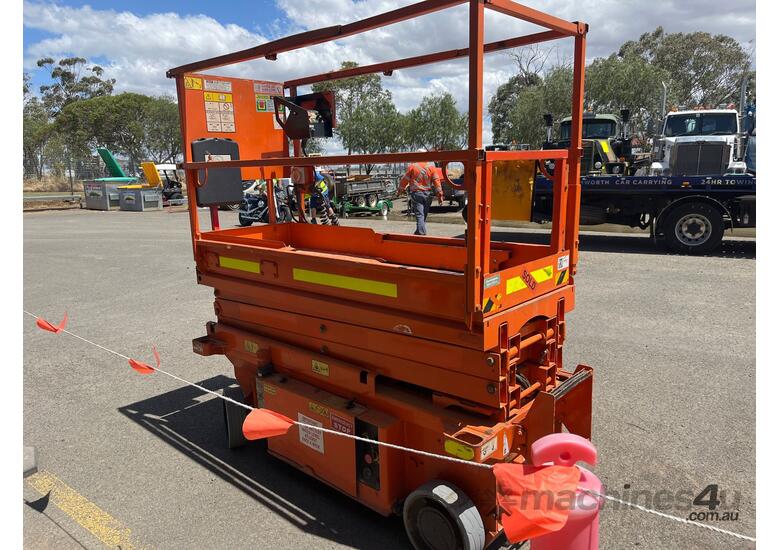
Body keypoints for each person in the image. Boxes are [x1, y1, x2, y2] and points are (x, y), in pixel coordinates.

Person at [397, 151, 444, 235]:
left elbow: (404, 180)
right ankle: (419, 231)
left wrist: (400, 190)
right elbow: (437, 182)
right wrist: (440, 195)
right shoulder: (432, 167)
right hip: (428, 194)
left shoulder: (412, 167)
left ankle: (421, 232)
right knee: (423, 215)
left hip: (417, 194)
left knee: (420, 215)